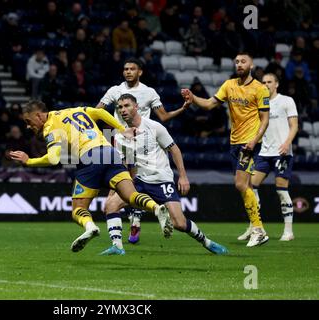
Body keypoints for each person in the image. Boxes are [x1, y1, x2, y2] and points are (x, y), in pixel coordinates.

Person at [10, 100, 171, 252]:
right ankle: (157, 208)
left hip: (90, 158)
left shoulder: (50, 127)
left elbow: (53, 158)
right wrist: (122, 130)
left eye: (28, 121)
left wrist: (28, 161)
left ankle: (90, 227)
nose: (28, 126)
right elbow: (100, 112)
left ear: (39, 115)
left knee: (78, 209)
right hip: (110, 153)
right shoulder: (75, 110)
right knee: (131, 195)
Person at [100, 94, 228, 255]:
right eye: (120, 107)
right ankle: (117, 246)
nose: (123, 110)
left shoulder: (154, 127)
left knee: (179, 224)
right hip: (138, 181)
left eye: (127, 106)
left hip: (161, 180)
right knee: (111, 205)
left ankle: (207, 242)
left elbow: (174, 149)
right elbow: (125, 165)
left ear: (137, 107)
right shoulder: (119, 136)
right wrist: (113, 191)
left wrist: (182, 176)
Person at [181, 52, 270, 247]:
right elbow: (209, 104)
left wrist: (255, 140)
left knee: (240, 184)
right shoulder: (229, 85)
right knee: (244, 186)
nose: (239, 64)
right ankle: (257, 228)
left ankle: (258, 229)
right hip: (234, 142)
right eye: (236, 61)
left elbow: (265, 119)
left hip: (250, 143)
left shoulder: (260, 89)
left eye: (243, 61)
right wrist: (193, 97)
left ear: (251, 65)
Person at [96, 57, 187, 243]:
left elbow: (163, 116)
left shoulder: (149, 92)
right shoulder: (115, 90)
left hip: (142, 145)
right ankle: (134, 217)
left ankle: (135, 218)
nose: (128, 71)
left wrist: (183, 108)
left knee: (132, 184)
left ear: (140, 72)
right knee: (117, 189)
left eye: (132, 68)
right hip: (120, 143)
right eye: (125, 68)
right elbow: (98, 111)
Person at [239, 73, 298, 242]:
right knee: (250, 187)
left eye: (269, 82)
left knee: (281, 188)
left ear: (277, 84)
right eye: (263, 82)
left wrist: (287, 143)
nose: (266, 84)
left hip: (282, 152)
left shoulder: (286, 101)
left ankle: (288, 231)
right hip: (264, 153)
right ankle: (254, 227)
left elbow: (294, 126)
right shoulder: (259, 103)